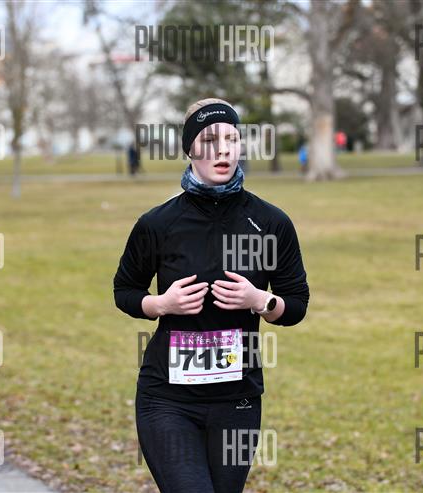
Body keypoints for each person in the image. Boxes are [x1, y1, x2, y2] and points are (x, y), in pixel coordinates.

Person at [113, 98, 309, 493]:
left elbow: (295, 304)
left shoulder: (270, 223)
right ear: (190, 149)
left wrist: (260, 301)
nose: (223, 150)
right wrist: (161, 304)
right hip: (167, 399)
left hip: (237, 401)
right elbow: (125, 291)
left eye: (231, 139)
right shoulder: (158, 223)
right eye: (209, 141)